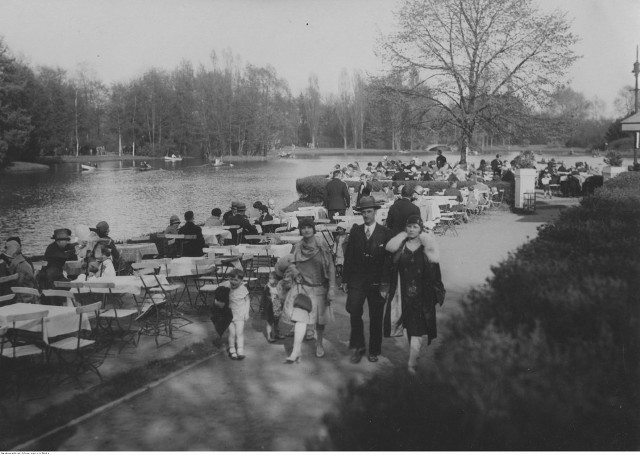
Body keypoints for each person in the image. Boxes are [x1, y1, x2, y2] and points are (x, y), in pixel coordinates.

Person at [383, 215, 445, 375]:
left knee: (417, 328)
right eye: (409, 226)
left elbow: (435, 272)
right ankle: (414, 355)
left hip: (421, 294)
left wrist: (438, 290)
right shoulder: (399, 247)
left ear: (420, 229)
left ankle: (411, 362)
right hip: (402, 293)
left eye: (415, 227)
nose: (411, 229)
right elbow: (390, 268)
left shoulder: (427, 248)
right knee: (409, 327)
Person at [342, 196, 392, 363]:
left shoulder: (385, 233)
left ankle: (374, 350)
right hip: (357, 280)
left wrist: (385, 283)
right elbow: (348, 257)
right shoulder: (355, 232)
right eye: (363, 212)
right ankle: (358, 347)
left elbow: (389, 261)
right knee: (354, 312)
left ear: (375, 212)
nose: (366, 215)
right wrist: (345, 279)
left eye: (369, 211)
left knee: (376, 317)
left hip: (377, 282)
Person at [282, 218, 336, 363]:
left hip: (320, 287)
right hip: (303, 288)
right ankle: (296, 351)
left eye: (309, 227)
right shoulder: (298, 246)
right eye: (303, 227)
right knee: (300, 320)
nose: (306, 230)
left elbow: (331, 267)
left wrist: (331, 288)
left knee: (319, 322)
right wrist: (295, 272)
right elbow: (291, 262)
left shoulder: (322, 245)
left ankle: (319, 344)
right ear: (300, 230)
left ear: (313, 229)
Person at [217, 268, 250, 360]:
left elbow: (247, 300)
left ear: (241, 280)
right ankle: (232, 349)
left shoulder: (243, 289)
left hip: (240, 315)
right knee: (232, 333)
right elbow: (219, 298)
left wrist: (246, 313)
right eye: (231, 279)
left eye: (236, 280)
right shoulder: (226, 287)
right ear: (228, 279)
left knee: (239, 333)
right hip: (229, 315)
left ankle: (240, 350)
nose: (233, 282)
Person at [260, 271, 285, 342]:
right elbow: (263, 298)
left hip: (277, 307)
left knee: (277, 321)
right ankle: (269, 336)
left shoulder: (279, 287)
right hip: (269, 307)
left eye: (273, 278)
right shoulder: (267, 287)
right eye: (270, 278)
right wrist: (262, 307)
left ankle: (277, 334)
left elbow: (282, 296)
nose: (271, 280)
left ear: (277, 280)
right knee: (270, 322)